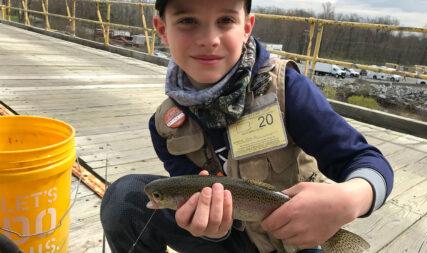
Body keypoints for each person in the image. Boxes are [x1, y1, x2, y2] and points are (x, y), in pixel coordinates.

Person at [100, 0, 394, 252]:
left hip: (295, 238)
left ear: (247, 27)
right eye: (188, 20)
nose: (209, 38)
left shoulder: (286, 89)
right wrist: (209, 226)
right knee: (123, 198)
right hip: (227, 239)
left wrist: (351, 199)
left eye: (225, 20)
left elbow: (368, 161)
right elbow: (192, 187)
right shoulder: (166, 125)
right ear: (162, 29)